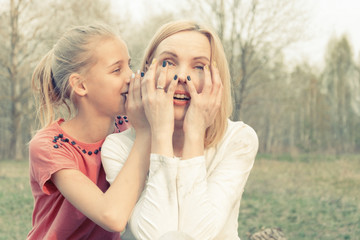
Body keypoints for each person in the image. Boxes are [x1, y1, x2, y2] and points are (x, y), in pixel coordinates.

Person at [101, 20, 259, 240]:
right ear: (147, 71)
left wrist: (194, 133)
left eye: (199, 66)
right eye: (168, 62)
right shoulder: (118, 147)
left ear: (217, 79)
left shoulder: (238, 140)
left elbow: (198, 234)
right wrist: (159, 134)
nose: (183, 76)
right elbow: (153, 235)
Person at [27, 24, 150, 239]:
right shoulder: (50, 146)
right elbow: (111, 216)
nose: (131, 76)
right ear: (81, 85)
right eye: (116, 69)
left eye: (129, 66)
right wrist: (146, 133)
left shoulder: (127, 126)